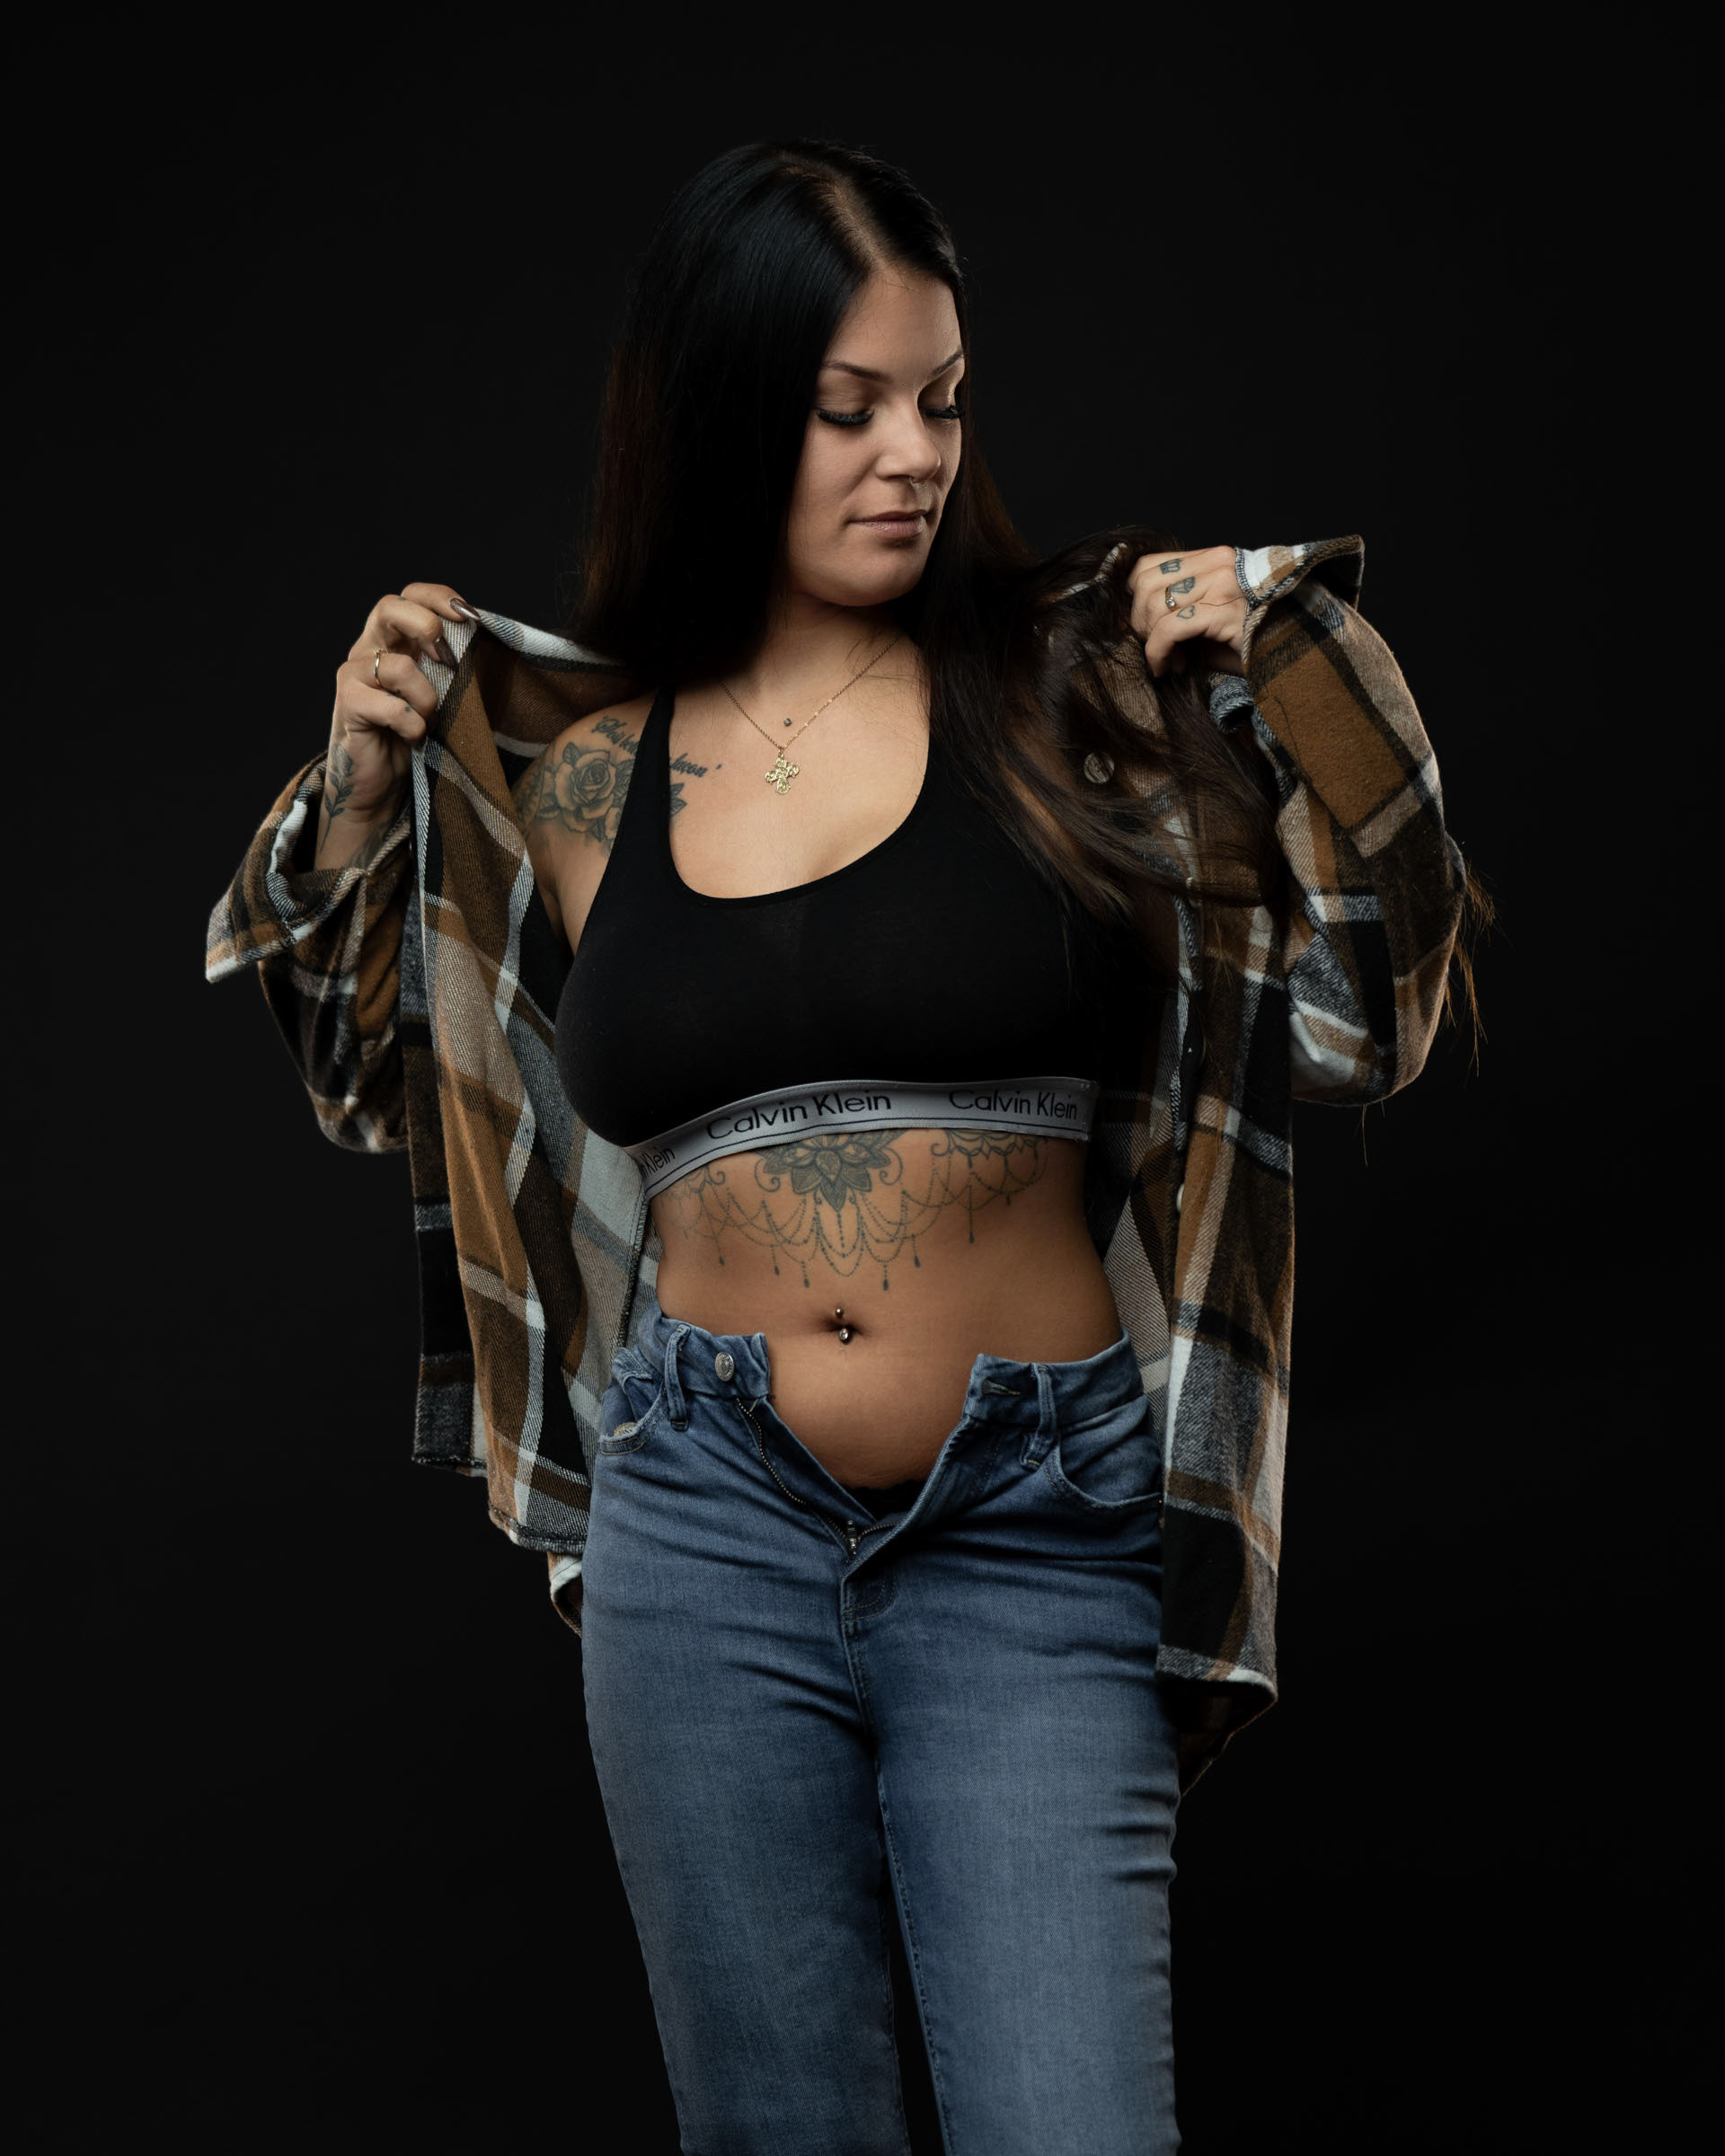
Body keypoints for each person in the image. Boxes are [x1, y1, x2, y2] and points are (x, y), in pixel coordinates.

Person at [206, 137, 1488, 2155]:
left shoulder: (1077, 694)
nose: (915, 455)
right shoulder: (576, 769)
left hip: (1034, 1523)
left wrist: (1277, 656)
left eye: (943, 399)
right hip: (697, 1524)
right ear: (722, 413)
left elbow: (1370, 996)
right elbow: (380, 1079)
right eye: (848, 407)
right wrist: (362, 793)